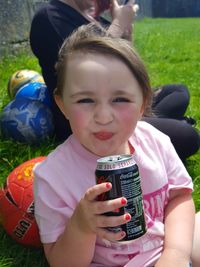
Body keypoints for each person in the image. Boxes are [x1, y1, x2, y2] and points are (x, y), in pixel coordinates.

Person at [33, 23, 198, 267]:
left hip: (166, 250)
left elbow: (179, 197)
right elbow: (61, 262)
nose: (103, 116)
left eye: (120, 99)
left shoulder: (155, 142)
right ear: (62, 105)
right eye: (85, 100)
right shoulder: (52, 177)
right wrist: (81, 225)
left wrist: (175, 254)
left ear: (143, 103)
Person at [30, 0, 200, 161]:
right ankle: (148, 129)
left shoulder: (95, 19)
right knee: (188, 136)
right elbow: (90, 74)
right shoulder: (49, 17)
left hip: (116, 104)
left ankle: (143, 126)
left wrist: (126, 34)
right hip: (87, 120)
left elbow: (125, 70)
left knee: (178, 92)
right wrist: (118, 24)